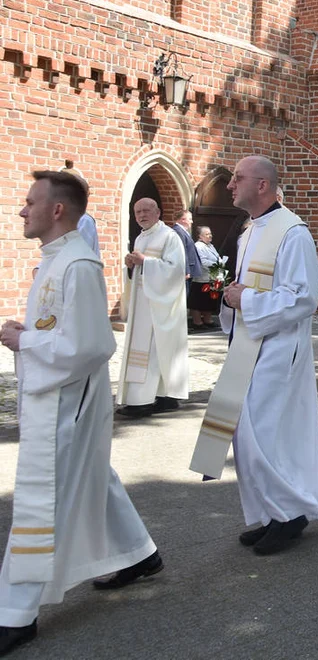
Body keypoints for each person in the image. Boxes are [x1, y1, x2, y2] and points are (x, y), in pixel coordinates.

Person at [0, 171, 161, 655]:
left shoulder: (78, 265)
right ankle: (140, 554)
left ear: (57, 211)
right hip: (58, 398)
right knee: (92, 474)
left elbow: (92, 345)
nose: (22, 211)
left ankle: (15, 613)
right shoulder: (54, 261)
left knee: (39, 500)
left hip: (67, 404)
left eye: (31, 203)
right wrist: (26, 334)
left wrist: (24, 339)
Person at [189, 155, 318, 556]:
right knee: (245, 432)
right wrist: (233, 296)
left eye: (238, 179)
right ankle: (272, 512)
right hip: (249, 345)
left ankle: (290, 514)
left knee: (268, 433)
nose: (230, 185)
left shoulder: (292, 232)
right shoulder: (250, 231)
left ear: (262, 185)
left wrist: (243, 297)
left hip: (278, 349)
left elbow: (304, 298)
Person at [115, 198, 189, 418]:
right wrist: (131, 266)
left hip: (161, 307)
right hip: (143, 306)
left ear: (158, 212)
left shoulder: (169, 237)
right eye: (138, 211)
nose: (142, 214)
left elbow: (176, 270)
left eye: (147, 210)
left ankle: (146, 401)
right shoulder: (140, 237)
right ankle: (155, 397)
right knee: (148, 351)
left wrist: (145, 262)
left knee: (157, 351)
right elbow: (139, 270)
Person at [190, 225, 223, 328]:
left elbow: (218, 258)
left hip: (212, 277)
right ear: (200, 236)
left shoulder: (210, 246)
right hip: (201, 279)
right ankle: (197, 322)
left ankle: (208, 320)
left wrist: (220, 262)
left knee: (209, 301)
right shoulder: (198, 246)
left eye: (210, 233)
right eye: (207, 234)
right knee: (198, 301)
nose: (210, 236)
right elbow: (203, 262)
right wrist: (217, 264)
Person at [172, 209, 203, 294]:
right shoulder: (178, 231)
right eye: (189, 219)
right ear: (183, 219)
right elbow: (182, 251)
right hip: (185, 271)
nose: (192, 221)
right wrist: (186, 270)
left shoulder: (183, 231)